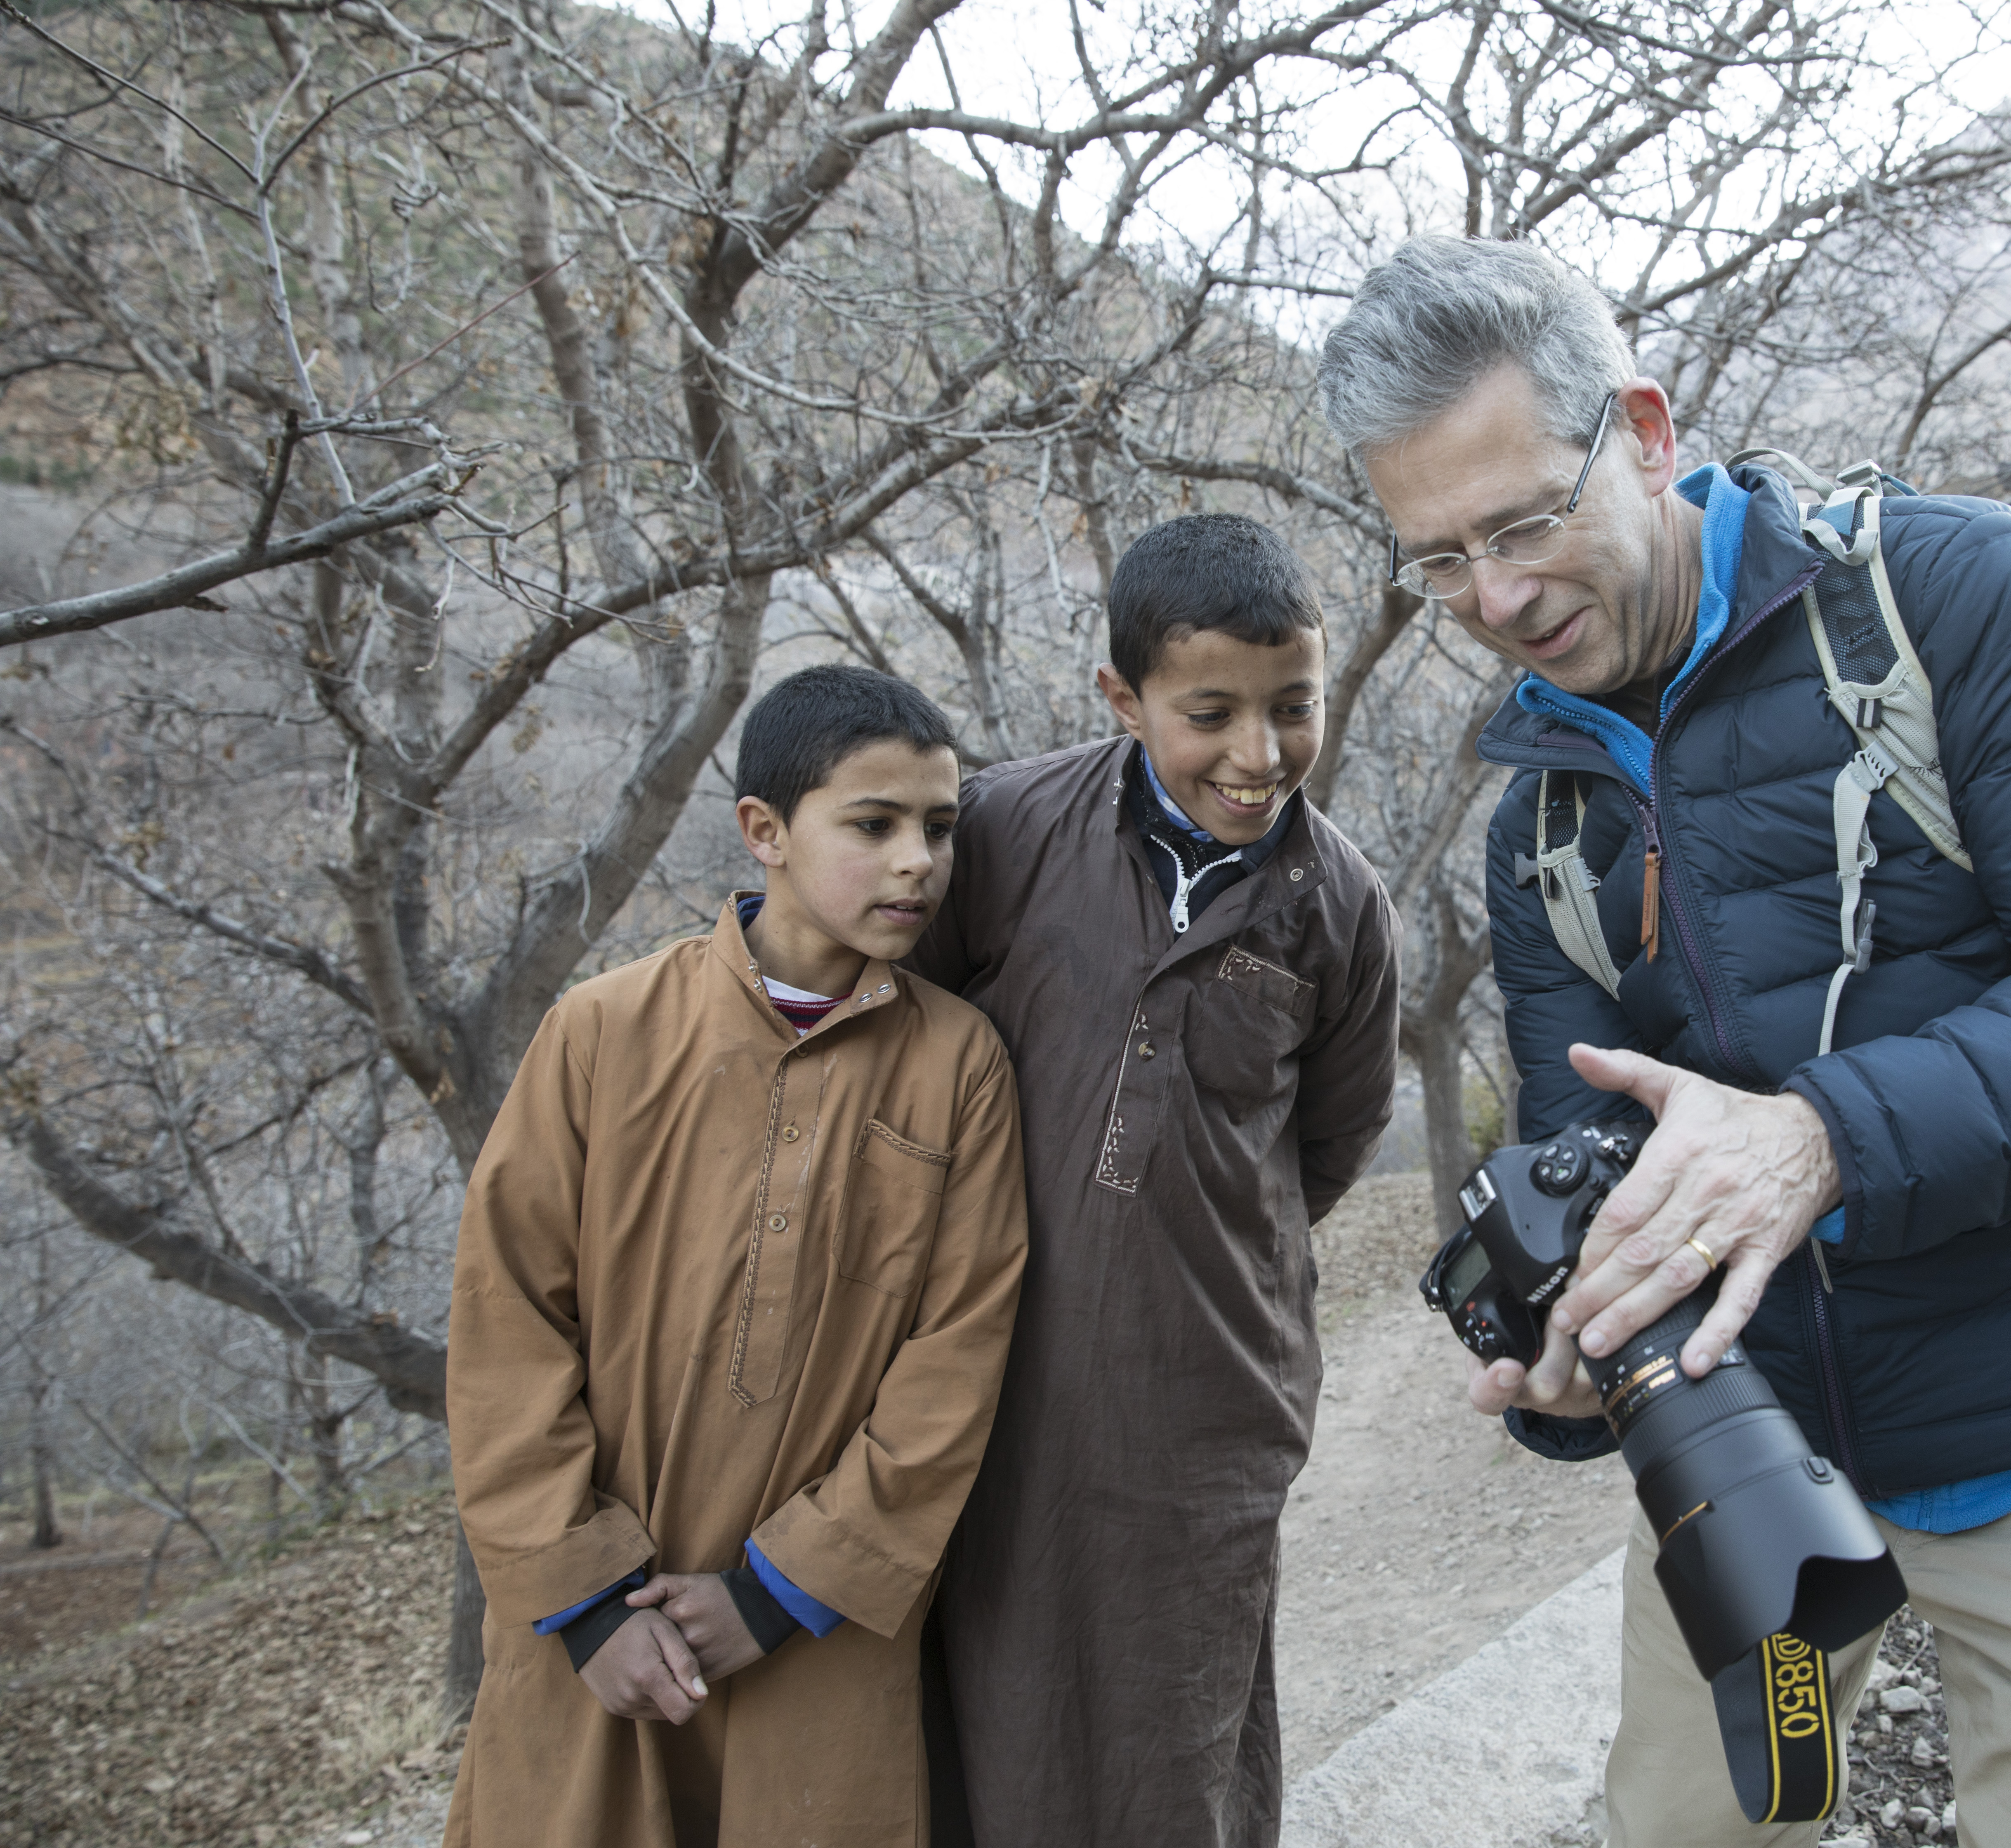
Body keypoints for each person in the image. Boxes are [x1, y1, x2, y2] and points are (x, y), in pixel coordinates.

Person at [1318, 236, 2011, 1848]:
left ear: (1645, 428)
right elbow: (1608, 1161)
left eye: (1525, 523)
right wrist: (1576, 1350)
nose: (1494, 598)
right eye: (1438, 563)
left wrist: (1814, 1138)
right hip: (1747, 1462)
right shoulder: (1545, 823)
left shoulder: (1958, 600)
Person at [442, 665, 1029, 1848]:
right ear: (763, 830)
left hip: (813, 1632)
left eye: (938, 828)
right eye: (873, 824)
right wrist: (591, 1604)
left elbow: (957, 1357)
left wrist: (778, 1590)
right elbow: (505, 1316)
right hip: (596, 1632)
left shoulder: (958, 1064)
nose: (919, 859)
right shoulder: (604, 1031)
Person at [911, 512, 1402, 1848]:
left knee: (1177, 1735)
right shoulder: (1008, 832)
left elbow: (1329, 1142)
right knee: (983, 1713)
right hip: (989, 1382)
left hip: (1204, 1406)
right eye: (1211, 714)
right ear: (1125, 702)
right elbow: (903, 1045)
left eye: (1293, 707)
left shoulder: (1340, 906)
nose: (1260, 754)